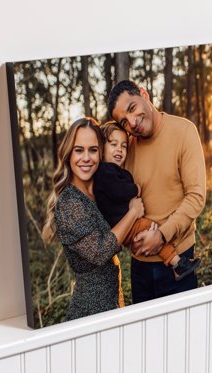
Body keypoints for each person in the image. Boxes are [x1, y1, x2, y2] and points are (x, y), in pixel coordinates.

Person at [107, 80, 206, 304]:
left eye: (132, 108)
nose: (132, 122)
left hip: (178, 263)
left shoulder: (183, 131)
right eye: (124, 121)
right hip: (139, 268)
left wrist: (161, 235)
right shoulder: (125, 147)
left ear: (144, 94)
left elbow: (196, 196)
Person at [42, 117, 144, 321]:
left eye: (93, 150)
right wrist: (133, 213)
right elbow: (99, 251)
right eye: (79, 150)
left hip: (112, 299)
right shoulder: (70, 202)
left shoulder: (98, 191)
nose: (86, 158)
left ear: (101, 152)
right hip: (92, 309)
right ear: (68, 154)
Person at [93, 121, 200, 281]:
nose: (119, 149)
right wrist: (136, 189)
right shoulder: (105, 171)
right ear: (102, 148)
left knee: (149, 229)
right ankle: (177, 263)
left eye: (123, 146)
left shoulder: (114, 170)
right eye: (113, 144)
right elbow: (119, 191)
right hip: (123, 224)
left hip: (125, 223)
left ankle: (175, 262)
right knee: (150, 228)